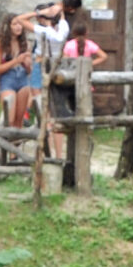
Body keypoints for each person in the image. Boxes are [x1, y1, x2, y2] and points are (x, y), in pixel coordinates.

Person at [49, 18, 105, 161]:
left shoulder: (68, 45)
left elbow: (65, 61)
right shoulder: (90, 44)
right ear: (86, 33)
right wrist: (91, 63)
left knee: (69, 111)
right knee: (84, 111)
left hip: (71, 84)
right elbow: (103, 56)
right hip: (86, 84)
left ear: (73, 33)